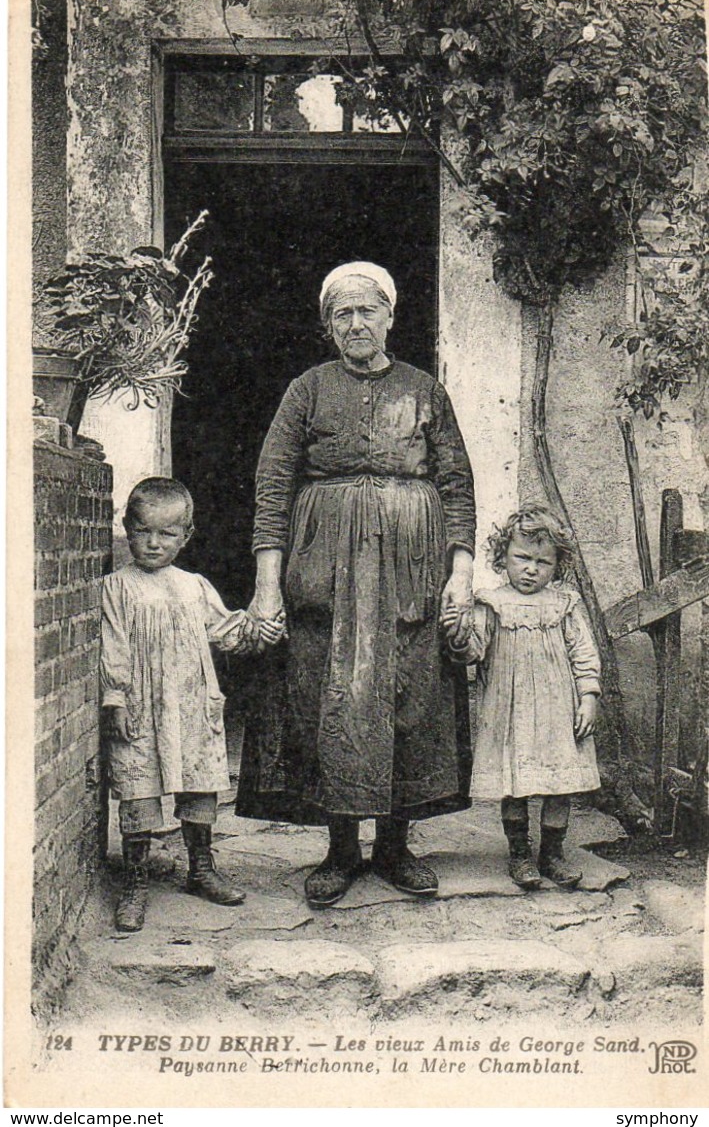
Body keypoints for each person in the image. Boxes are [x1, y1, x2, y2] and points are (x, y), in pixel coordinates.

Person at [238, 261, 477, 908]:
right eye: (340, 314)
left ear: (389, 317)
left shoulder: (424, 390)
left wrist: (460, 573)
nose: (354, 323)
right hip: (324, 575)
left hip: (409, 572)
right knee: (327, 698)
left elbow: (456, 484)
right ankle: (340, 850)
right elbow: (271, 491)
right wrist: (266, 586)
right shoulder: (306, 391)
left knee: (406, 695)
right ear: (327, 326)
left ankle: (396, 849)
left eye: (366, 310)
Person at [101, 477, 284, 932]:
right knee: (139, 785)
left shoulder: (194, 586)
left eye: (167, 534)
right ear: (127, 528)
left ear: (187, 537)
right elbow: (113, 646)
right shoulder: (117, 587)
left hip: (190, 703)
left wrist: (257, 631)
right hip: (142, 706)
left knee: (200, 782)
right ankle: (136, 881)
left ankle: (201, 868)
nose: (153, 543)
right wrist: (116, 698)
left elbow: (226, 631)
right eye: (143, 531)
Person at [443, 503, 601, 890]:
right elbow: (473, 652)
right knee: (514, 784)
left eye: (543, 562)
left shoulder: (565, 604)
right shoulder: (491, 604)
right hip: (509, 712)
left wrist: (588, 696)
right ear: (503, 557)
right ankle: (519, 854)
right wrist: (459, 634)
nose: (531, 569)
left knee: (559, 783)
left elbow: (584, 653)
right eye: (522, 558)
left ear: (556, 566)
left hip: (556, 713)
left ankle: (552, 853)